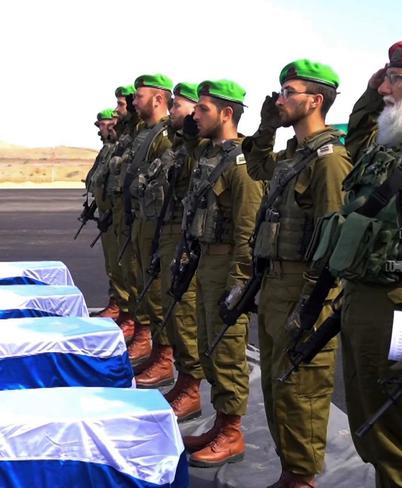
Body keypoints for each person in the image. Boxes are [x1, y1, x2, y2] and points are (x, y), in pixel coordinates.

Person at [312, 40, 402, 487]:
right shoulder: (390, 142)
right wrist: (374, 90)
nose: (387, 89)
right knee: (372, 431)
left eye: (398, 78)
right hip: (365, 301)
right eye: (385, 78)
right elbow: (357, 131)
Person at [242, 59, 352, 488]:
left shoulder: (329, 161)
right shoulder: (291, 156)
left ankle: (302, 479)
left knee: (300, 390)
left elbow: (335, 239)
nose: (281, 99)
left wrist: (311, 303)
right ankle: (291, 473)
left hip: (305, 290)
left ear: (316, 100)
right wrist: (266, 127)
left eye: (290, 92)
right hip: (274, 284)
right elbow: (254, 170)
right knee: (275, 387)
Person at [180, 80, 264, 467]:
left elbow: (248, 229)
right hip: (205, 260)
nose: (195, 115)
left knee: (227, 349)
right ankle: (221, 422)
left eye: (204, 109)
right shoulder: (210, 155)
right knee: (208, 344)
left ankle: (232, 432)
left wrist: (239, 282)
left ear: (226, 114)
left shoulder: (241, 164)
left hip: (228, 265)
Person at [133, 82, 204, 420]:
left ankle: (190, 386)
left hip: (185, 235)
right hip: (165, 227)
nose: (173, 110)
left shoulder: (201, 148)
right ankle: (174, 370)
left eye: (180, 105)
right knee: (168, 304)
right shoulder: (177, 144)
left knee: (183, 312)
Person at [124, 74, 173, 370]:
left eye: (139, 96)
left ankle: (163, 356)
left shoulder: (164, 137)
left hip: (156, 224)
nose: (133, 102)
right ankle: (146, 340)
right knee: (141, 283)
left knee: (156, 292)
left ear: (157, 99)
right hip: (142, 219)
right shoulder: (147, 133)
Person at [100, 85, 139, 342]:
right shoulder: (130, 139)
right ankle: (123, 311)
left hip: (137, 219)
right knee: (119, 268)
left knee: (136, 276)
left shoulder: (151, 138)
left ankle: (137, 325)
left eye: (121, 105)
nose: (116, 112)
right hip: (116, 215)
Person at [86, 109, 119, 319]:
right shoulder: (106, 150)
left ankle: (123, 309)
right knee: (113, 265)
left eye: (105, 124)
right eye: (100, 125)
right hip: (107, 215)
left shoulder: (118, 148)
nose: (102, 130)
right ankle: (116, 303)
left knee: (122, 266)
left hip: (118, 216)